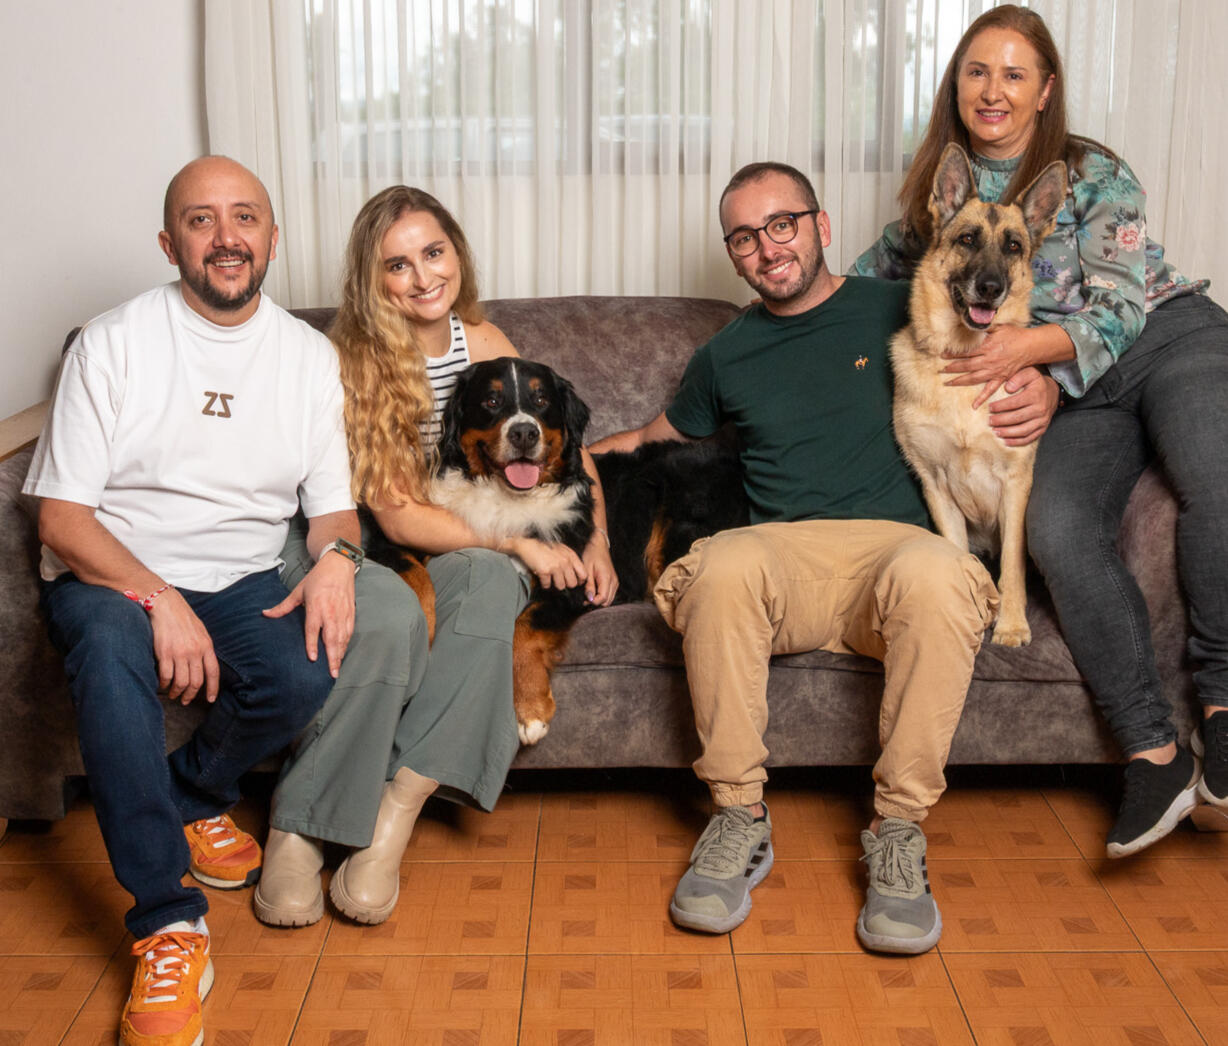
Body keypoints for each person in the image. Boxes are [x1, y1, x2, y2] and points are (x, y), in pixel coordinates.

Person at [590, 162, 998, 954]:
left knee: (943, 576)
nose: (766, 248)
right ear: (733, 254)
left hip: (898, 553)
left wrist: (1042, 388)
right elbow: (646, 440)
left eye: (782, 224)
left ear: (822, 226)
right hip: (784, 559)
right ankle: (738, 818)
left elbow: (999, 344)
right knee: (718, 565)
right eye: (744, 237)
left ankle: (898, 833)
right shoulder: (726, 354)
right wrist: (567, 469)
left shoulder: (900, 306)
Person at [852, 4, 1228, 858]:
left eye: (1015, 73)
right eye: (978, 71)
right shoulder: (935, 201)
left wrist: (1032, 351)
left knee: (1218, 472)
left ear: (1045, 89)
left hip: (1166, 338)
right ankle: (1153, 753)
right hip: (1072, 390)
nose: (994, 90)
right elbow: (863, 287)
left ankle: (1226, 711)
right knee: (1057, 532)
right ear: (957, 85)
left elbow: (1124, 304)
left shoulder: (1091, 174)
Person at [23, 156, 359, 1046]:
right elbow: (61, 517)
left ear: (273, 238)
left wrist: (338, 562)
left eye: (244, 216)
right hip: (113, 575)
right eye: (201, 220)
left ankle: (192, 791)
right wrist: (156, 595)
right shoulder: (114, 341)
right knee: (106, 653)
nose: (226, 236)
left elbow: (331, 509)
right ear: (170, 242)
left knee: (305, 667)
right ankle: (167, 923)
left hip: (242, 577)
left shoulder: (307, 356)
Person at [253, 185, 618, 929]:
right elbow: (391, 513)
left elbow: (567, 449)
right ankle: (304, 823)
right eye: (398, 265)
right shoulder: (353, 361)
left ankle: (396, 812)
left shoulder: (482, 342)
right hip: (363, 536)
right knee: (413, 606)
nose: (423, 278)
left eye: (434, 252)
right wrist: (515, 539)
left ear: (457, 253)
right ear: (371, 279)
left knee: (488, 585)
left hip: (455, 535)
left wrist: (601, 539)